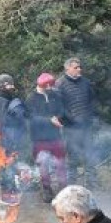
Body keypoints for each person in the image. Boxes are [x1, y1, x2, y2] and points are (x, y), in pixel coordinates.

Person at [0, 74, 29, 206]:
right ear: (2, 86)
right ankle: (7, 195)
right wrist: (8, 140)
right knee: (6, 166)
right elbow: (2, 122)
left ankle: (8, 192)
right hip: (2, 140)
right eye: (9, 84)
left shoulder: (2, 98)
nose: (12, 86)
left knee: (7, 165)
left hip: (2, 139)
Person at [55, 57, 98, 187]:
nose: (79, 69)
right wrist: (71, 119)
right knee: (72, 157)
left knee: (89, 154)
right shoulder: (60, 84)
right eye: (76, 67)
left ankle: (92, 183)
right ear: (67, 68)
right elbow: (58, 106)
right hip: (70, 128)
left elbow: (92, 101)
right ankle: (71, 185)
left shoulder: (86, 82)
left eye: (80, 67)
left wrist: (91, 116)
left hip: (86, 126)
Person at [27, 72, 68, 202]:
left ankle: (64, 190)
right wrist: (49, 120)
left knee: (60, 164)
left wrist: (58, 118)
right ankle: (47, 190)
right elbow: (32, 118)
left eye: (51, 85)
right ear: (41, 85)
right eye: (48, 85)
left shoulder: (55, 95)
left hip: (55, 136)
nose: (50, 88)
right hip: (39, 138)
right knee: (43, 164)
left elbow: (62, 111)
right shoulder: (31, 99)